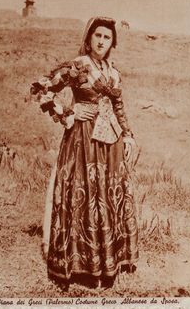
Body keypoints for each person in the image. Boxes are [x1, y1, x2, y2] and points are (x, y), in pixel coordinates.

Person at [31, 17, 139, 289]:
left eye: (107, 37)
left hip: (110, 144)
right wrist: (69, 112)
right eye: (97, 35)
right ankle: (80, 266)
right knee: (84, 195)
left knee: (106, 195)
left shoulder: (114, 73)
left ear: (113, 42)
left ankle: (106, 264)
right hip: (81, 141)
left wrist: (127, 135)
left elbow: (119, 107)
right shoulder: (76, 66)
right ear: (89, 37)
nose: (102, 41)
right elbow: (41, 89)